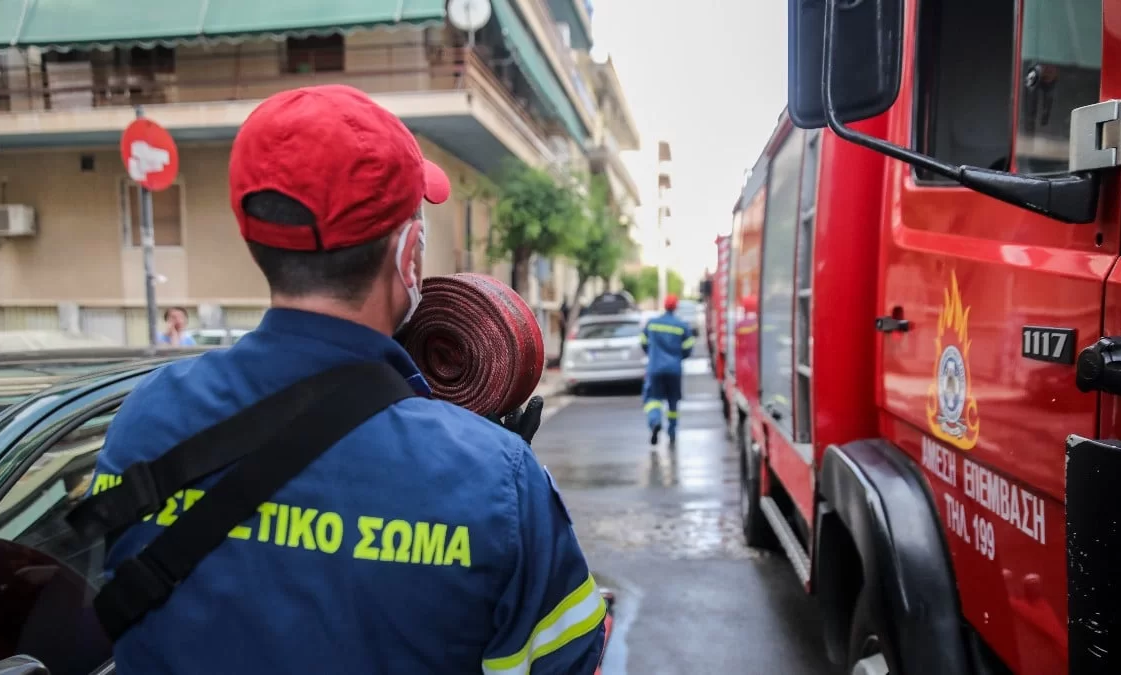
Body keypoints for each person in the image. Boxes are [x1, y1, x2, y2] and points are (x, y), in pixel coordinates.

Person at [87, 85, 604, 674]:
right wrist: (499, 482)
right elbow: (569, 662)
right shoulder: (497, 478)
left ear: (256, 239)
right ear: (409, 255)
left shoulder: (143, 417)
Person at [640, 294, 695, 448]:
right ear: (676, 307)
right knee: (673, 401)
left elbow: (643, 342)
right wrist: (678, 357)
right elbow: (688, 347)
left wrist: (653, 355)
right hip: (674, 369)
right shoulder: (681, 326)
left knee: (653, 399)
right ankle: (672, 432)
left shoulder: (652, 324)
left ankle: (655, 421)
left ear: (664, 305)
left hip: (655, 368)